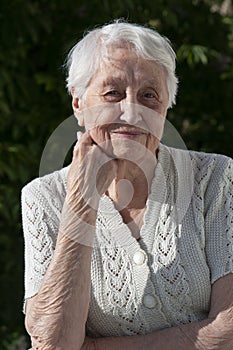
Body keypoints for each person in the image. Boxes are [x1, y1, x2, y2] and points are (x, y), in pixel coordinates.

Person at [21, 20, 233, 350]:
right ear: (78, 104)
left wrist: (92, 348)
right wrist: (82, 200)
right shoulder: (44, 197)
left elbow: (229, 331)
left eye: (149, 96)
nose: (132, 112)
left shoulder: (214, 177)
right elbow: (53, 343)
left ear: (166, 107)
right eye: (112, 93)